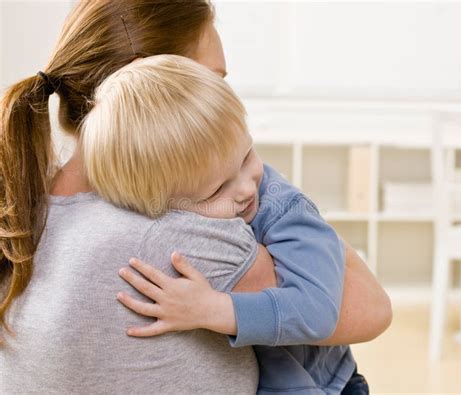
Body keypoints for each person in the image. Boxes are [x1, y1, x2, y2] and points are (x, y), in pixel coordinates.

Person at [0, 0, 391, 393]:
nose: (219, 97)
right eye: (212, 79)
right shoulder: (167, 231)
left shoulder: (31, 205)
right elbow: (370, 308)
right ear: (148, 79)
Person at [79, 54, 385, 394]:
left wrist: (213, 309)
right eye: (217, 189)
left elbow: (317, 312)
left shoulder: (286, 210)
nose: (245, 187)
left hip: (327, 387)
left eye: (247, 156)